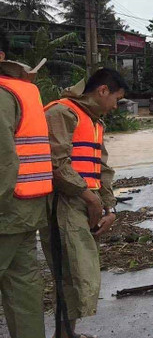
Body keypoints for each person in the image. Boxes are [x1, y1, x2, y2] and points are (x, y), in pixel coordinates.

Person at [42, 68, 128, 338]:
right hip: (62, 203)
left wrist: (109, 207)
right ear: (103, 91)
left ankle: (66, 334)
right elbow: (57, 164)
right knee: (72, 275)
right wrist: (89, 197)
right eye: (116, 99)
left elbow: (101, 168)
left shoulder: (95, 122)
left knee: (79, 274)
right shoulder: (61, 113)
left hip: (84, 204)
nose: (116, 106)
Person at [0, 35, 52, 338]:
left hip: (5, 208)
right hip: (28, 206)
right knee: (23, 288)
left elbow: (3, 162)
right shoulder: (26, 90)